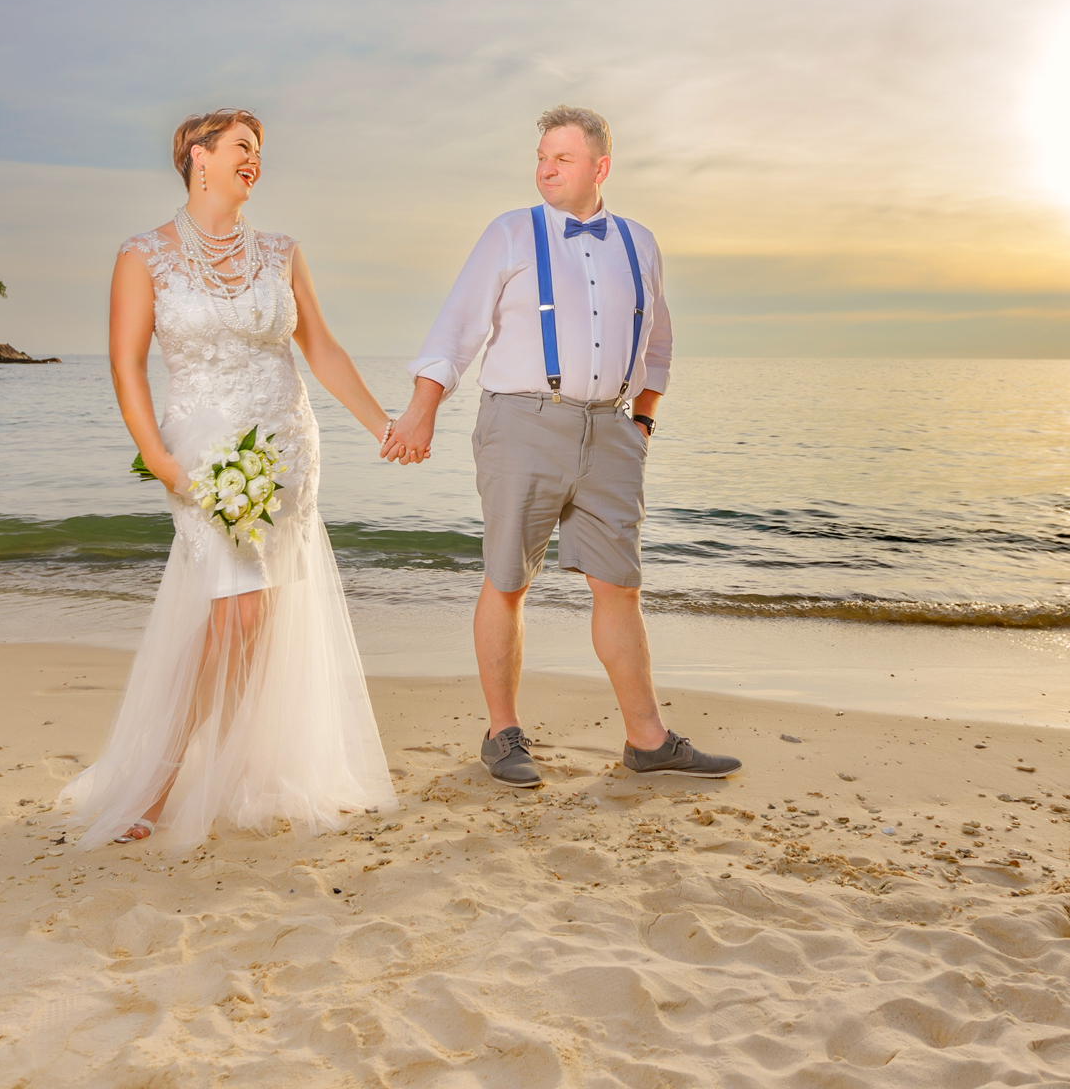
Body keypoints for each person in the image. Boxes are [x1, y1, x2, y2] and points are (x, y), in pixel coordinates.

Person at [62, 108, 399, 848]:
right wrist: (153, 452)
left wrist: (382, 424)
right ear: (197, 156)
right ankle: (154, 782)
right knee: (235, 613)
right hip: (203, 451)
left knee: (256, 621)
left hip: (287, 449)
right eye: (242, 147)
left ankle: (224, 769)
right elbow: (127, 364)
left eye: (260, 151)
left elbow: (324, 350)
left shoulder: (281, 251)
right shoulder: (143, 254)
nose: (254, 160)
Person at [383, 106, 740, 787]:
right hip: (522, 422)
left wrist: (643, 422)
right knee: (508, 579)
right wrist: (421, 410)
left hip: (612, 431)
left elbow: (657, 343)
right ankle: (502, 735)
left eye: (562, 158)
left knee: (620, 586)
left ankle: (647, 740)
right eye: (542, 157)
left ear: (600, 167)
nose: (545, 168)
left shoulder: (640, 242)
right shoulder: (511, 232)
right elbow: (457, 326)